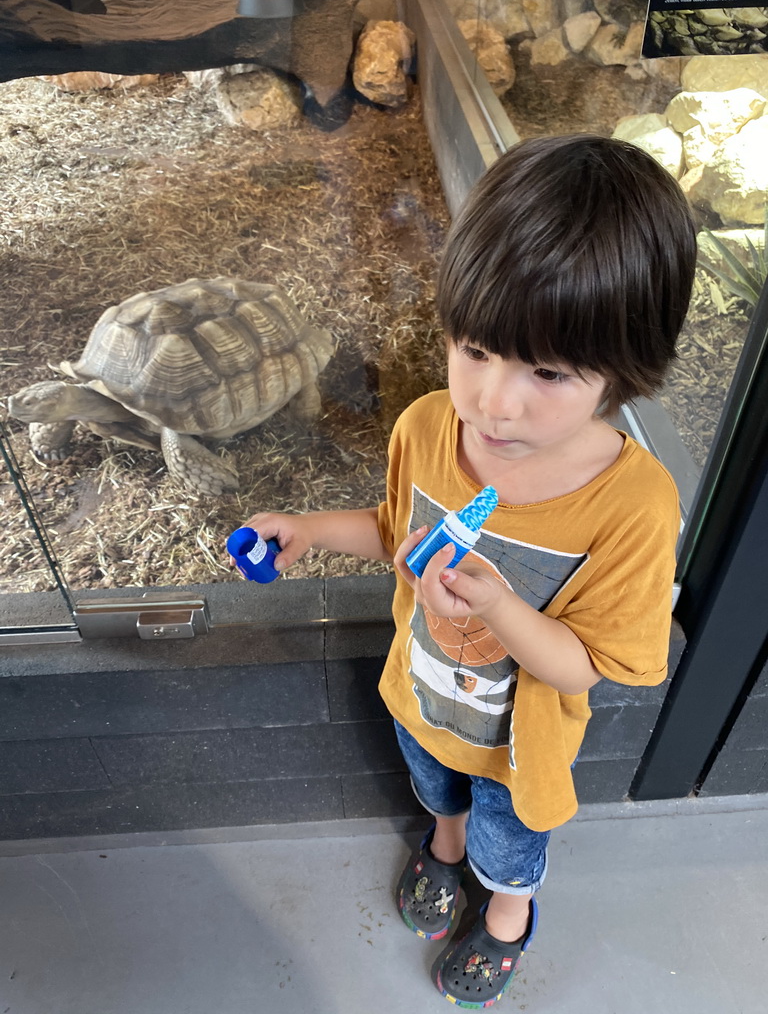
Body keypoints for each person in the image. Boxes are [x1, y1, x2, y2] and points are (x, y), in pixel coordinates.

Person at [237, 134, 697, 1008]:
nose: (493, 401)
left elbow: (585, 664)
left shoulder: (634, 505)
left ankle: (507, 923)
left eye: (550, 371)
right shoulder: (424, 428)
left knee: (510, 851)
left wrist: (498, 602)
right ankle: (441, 850)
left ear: (624, 373)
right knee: (436, 792)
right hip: (423, 697)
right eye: (476, 349)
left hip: (521, 752)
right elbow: (392, 531)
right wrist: (305, 530)